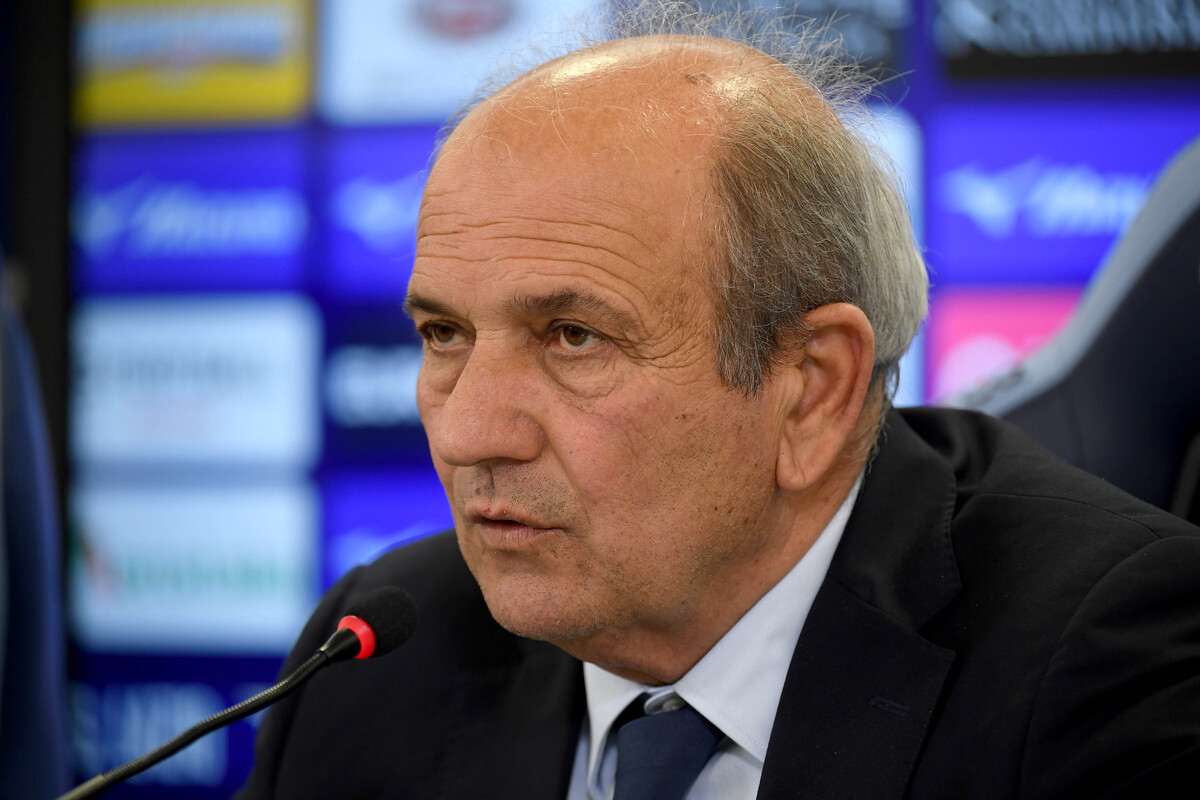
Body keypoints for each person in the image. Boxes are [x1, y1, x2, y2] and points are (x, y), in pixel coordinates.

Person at [238, 6, 1200, 799]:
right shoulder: (375, 661)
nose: (468, 429)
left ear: (811, 390)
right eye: (445, 335)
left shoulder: (1103, 667)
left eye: (574, 337)